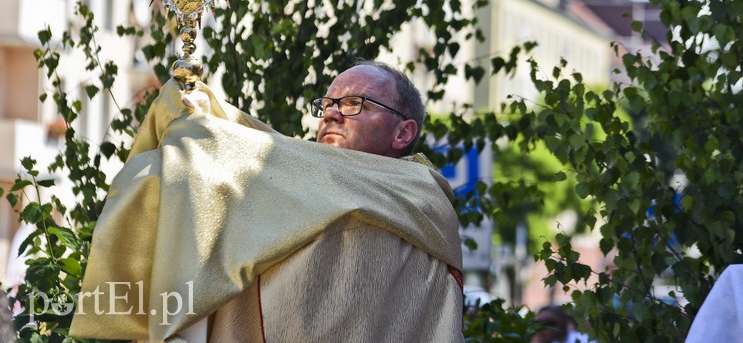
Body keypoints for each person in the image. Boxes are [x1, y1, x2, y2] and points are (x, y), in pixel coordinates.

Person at [70, 61, 463, 342]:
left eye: (353, 103)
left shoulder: (423, 194)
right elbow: (271, 152)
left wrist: (211, 129)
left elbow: (266, 152)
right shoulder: (300, 177)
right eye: (327, 104)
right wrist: (204, 116)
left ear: (403, 133)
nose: (331, 115)